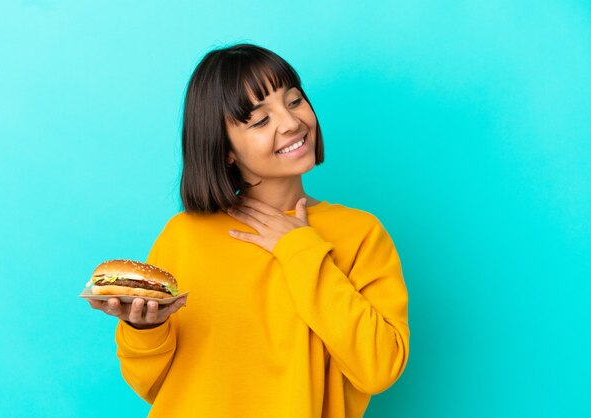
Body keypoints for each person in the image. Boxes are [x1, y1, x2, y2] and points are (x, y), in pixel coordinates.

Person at [87, 43, 409, 418]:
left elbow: (380, 368)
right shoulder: (185, 236)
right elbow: (153, 386)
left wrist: (300, 249)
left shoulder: (359, 234)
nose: (291, 123)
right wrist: (144, 330)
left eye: (294, 100)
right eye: (259, 121)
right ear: (224, 150)